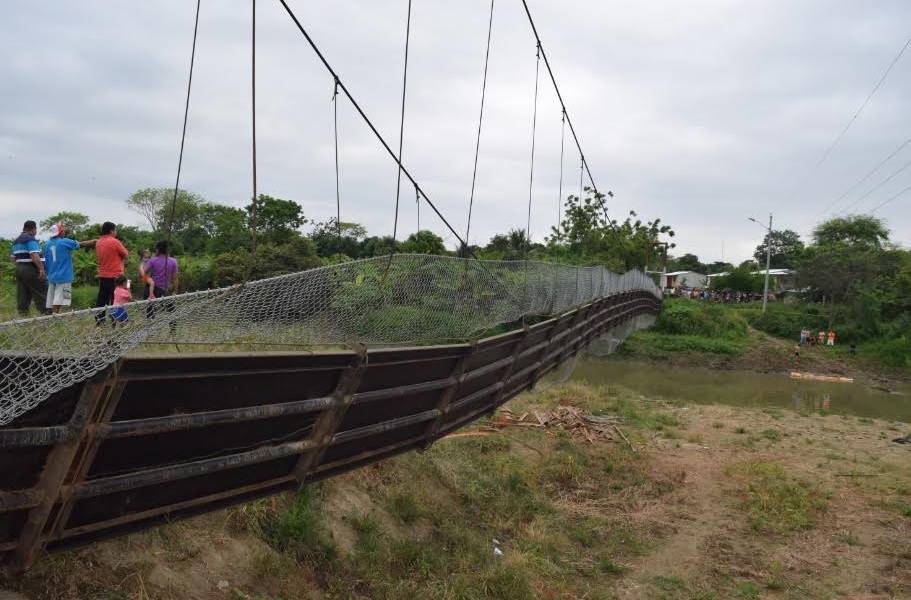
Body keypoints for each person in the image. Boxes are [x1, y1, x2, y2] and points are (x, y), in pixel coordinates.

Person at [43, 223, 96, 314]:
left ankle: (52, 315)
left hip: (51, 275)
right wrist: (94, 241)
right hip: (63, 276)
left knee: (53, 299)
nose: (64, 232)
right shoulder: (64, 241)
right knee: (59, 299)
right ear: (60, 232)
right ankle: (54, 317)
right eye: (63, 231)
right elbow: (81, 244)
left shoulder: (46, 244)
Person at [10, 220, 49, 317]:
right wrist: (41, 269)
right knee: (42, 292)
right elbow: (34, 255)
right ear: (33, 229)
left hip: (19, 268)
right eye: (36, 229)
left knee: (23, 294)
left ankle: (23, 316)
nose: (36, 232)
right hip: (31, 269)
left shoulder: (16, 241)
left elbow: (12, 258)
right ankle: (47, 316)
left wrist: (20, 267)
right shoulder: (30, 239)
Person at [94, 222, 128, 325]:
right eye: (115, 230)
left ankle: (100, 320)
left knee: (102, 299)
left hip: (103, 275)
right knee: (116, 299)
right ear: (111, 231)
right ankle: (116, 320)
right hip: (116, 276)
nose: (116, 232)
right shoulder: (115, 242)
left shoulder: (98, 242)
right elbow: (126, 254)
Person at [144, 240, 179, 326]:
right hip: (165, 290)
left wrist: (148, 278)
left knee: (150, 309)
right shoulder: (173, 261)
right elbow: (175, 278)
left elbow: (143, 272)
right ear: (168, 250)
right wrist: (175, 291)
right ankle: (173, 331)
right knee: (171, 310)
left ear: (158, 250)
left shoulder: (153, 260)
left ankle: (149, 327)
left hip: (153, 289)